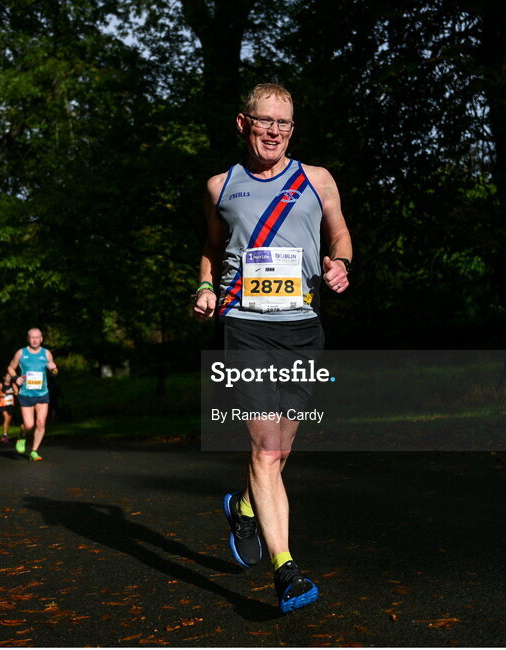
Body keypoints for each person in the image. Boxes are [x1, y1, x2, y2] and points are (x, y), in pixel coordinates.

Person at [193, 83, 352, 613]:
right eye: (265, 121)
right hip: (246, 327)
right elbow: (212, 251)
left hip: (303, 328)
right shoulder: (221, 185)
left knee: (280, 451)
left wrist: (340, 265)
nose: (274, 132)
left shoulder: (317, 179)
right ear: (243, 123)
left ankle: (242, 506)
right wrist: (204, 287)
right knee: (264, 450)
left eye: (283, 124)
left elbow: (341, 235)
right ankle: (287, 572)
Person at [7, 328, 58, 461]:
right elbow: (10, 368)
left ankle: (34, 451)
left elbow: (54, 371)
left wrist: (53, 369)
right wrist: (15, 378)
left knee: (41, 423)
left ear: (41, 339)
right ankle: (22, 433)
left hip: (42, 393)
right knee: (29, 424)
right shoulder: (21, 353)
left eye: (37, 337)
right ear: (28, 339)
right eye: (32, 337)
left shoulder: (46, 353)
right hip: (26, 393)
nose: (35, 340)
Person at [0, 373, 18, 443]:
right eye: (7, 376)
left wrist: (12, 391)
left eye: (10, 377)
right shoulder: (1, 385)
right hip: (3, 404)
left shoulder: (12, 385)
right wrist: (2, 395)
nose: (9, 378)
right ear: (4, 378)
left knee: (8, 421)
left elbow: (17, 392)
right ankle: (4, 435)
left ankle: (6, 435)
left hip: (10, 404)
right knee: (6, 418)